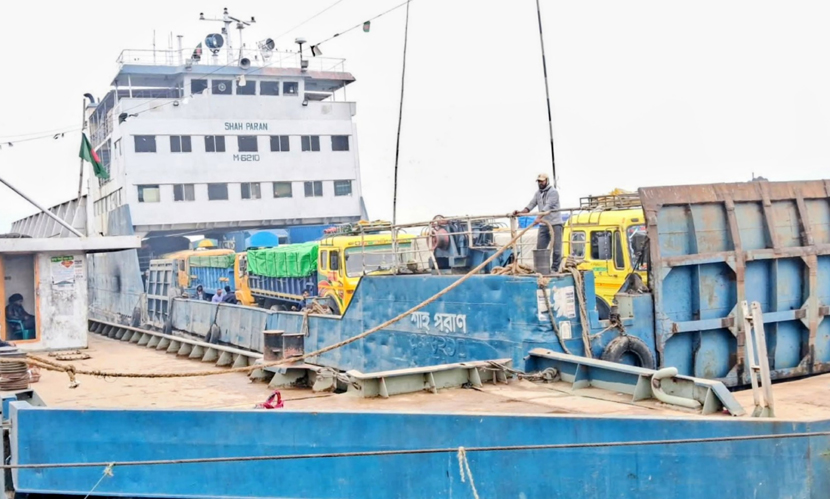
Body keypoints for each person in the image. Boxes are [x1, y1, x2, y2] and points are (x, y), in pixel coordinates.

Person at [514, 173, 563, 271]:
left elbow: (547, 207)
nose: (540, 183)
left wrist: (538, 217)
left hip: (555, 223)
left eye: (542, 181)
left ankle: (554, 269)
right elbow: (531, 204)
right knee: (540, 248)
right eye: (539, 181)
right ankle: (541, 269)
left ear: (547, 181)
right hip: (543, 223)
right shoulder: (538, 193)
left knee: (557, 249)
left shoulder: (553, 192)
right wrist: (521, 212)